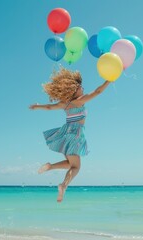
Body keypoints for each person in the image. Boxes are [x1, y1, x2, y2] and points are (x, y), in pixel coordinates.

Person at [29, 67, 110, 202]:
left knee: (71, 163)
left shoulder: (65, 104)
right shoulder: (80, 100)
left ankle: (50, 167)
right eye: (80, 87)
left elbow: (49, 107)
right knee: (76, 167)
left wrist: (38, 106)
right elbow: (98, 91)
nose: (83, 89)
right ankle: (63, 185)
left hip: (65, 133)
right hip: (76, 133)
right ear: (73, 90)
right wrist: (109, 80)